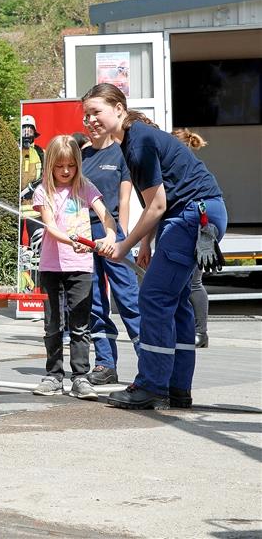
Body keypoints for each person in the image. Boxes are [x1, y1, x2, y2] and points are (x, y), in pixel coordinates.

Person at [82, 84, 226, 410]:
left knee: (154, 297)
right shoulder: (135, 140)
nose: (90, 120)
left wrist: (124, 245)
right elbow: (159, 199)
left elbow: (158, 205)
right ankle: (178, 388)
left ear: (119, 109)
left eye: (96, 111)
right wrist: (145, 242)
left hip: (192, 216)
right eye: (86, 115)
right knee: (175, 302)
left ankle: (150, 386)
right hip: (199, 213)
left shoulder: (138, 143)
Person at [30, 135, 118, 400]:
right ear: (50, 166)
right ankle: (53, 376)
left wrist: (110, 237)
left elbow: (106, 216)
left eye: (71, 165)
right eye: (60, 166)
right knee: (53, 324)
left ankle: (80, 377)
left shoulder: (86, 187)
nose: (66, 171)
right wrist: (72, 240)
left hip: (81, 266)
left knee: (80, 325)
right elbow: (51, 227)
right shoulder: (43, 191)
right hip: (51, 266)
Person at [81, 117, 142, 386]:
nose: (91, 123)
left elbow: (125, 199)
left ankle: (150, 363)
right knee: (94, 302)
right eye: (87, 119)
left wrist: (121, 237)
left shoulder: (121, 153)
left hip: (113, 235)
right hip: (83, 236)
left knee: (129, 300)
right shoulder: (80, 155)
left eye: (96, 118)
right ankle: (105, 364)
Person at [173, 127, 212, 349]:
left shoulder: (192, 169)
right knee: (185, 282)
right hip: (180, 228)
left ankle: (201, 332)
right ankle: (187, 330)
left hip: (196, 227)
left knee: (194, 282)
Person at [20, 115, 45, 202]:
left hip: (35, 198)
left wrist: (35, 187)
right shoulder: (15, 149)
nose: (26, 134)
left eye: (29, 131)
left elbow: (45, 172)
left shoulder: (39, 152)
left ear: (34, 133)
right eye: (24, 130)